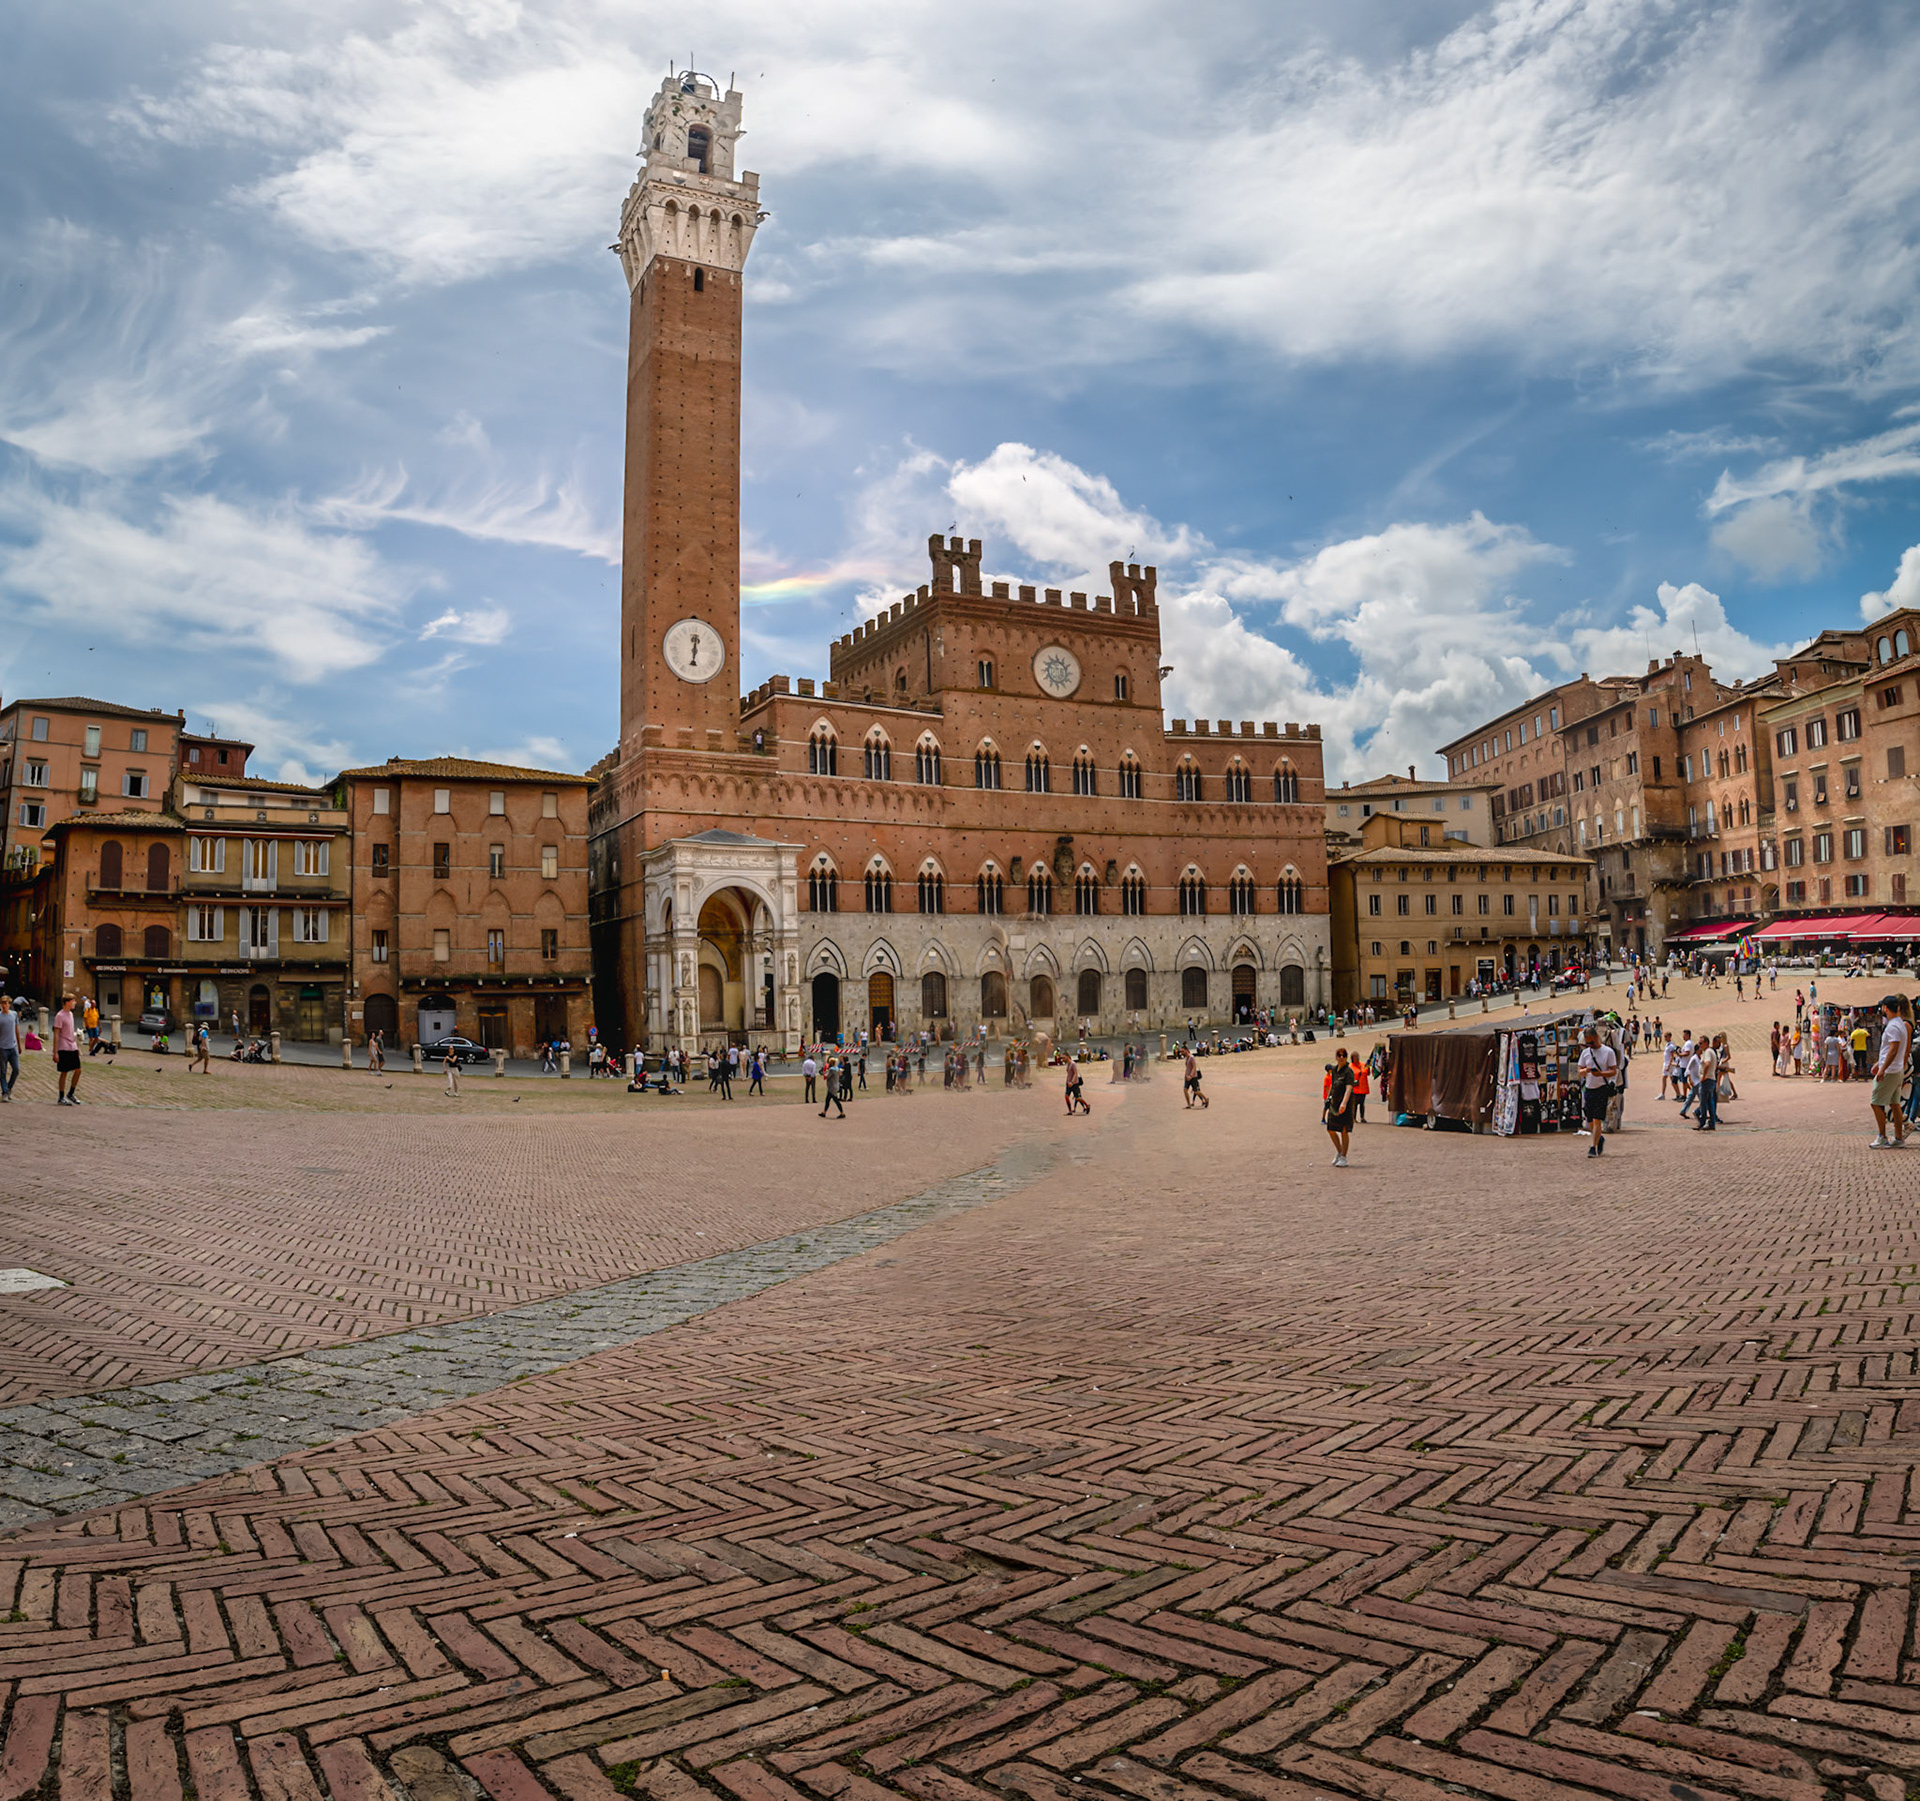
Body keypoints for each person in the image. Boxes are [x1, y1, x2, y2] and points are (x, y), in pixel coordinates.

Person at [1870, 995, 1911, 1148]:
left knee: (1875, 1102)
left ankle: (1882, 1136)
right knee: (1895, 1104)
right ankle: (1899, 1138)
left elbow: (1892, 1050)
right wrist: (1879, 1064)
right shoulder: (1900, 1024)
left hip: (1891, 1070)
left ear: (1885, 1008)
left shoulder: (1893, 1026)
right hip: (1896, 1069)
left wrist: (1882, 1069)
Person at [1577, 1025, 1618, 1157]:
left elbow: (1613, 1070)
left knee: (1597, 1120)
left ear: (1597, 1037)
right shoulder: (1585, 1053)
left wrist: (1601, 1074)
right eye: (1587, 1043)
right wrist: (1586, 1071)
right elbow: (1579, 1071)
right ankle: (1599, 1138)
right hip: (1589, 1089)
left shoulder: (1608, 1052)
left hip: (1601, 1089)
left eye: (1591, 1042)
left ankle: (1593, 1147)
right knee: (1589, 1121)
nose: (1590, 1045)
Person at [1324, 1047, 1355, 1166]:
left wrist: (1344, 1103)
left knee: (1344, 1130)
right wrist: (1329, 1098)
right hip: (1334, 1102)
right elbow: (1332, 1085)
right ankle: (1339, 1151)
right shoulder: (1334, 1070)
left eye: (1344, 1055)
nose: (1341, 1057)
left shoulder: (1348, 1071)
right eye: (1339, 1055)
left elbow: (1349, 1088)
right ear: (1336, 1057)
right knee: (1330, 1129)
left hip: (1345, 1103)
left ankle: (1344, 1157)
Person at [53, 995, 82, 1106]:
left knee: (78, 1070)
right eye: (73, 1001)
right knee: (64, 1072)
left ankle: (71, 1093)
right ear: (67, 1002)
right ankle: (61, 1096)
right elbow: (56, 1033)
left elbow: (71, 1031)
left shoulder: (71, 1014)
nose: (75, 1003)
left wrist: (77, 1047)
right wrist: (55, 1052)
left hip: (72, 1045)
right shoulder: (59, 1016)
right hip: (63, 1046)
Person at [1694, 1035, 1720, 1131]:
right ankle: (1711, 1123)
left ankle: (1702, 1122)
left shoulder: (1708, 1052)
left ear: (1706, 1043)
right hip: (1710, 1079)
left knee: (1703, 1102)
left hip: (1707, 1080)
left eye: (1700, 1043)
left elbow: (1707, 1063)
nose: (1699, 1045)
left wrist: (1703, 1076)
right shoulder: (1709, 1052)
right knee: (1710, 1103)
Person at [0, 994, 18, 1103]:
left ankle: (9, 1088)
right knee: (2, 1071)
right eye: (3, 1003)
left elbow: (16, 1029)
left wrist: (19, 1046)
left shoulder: (14, 1015)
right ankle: (4, 1091)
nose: (5, 1005)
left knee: (16, 1069)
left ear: (9, 1004)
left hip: (13, 1046)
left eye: (6, 1003)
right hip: (2, 1047)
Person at [819, 1054, 845, 1119]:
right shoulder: (837, 1069)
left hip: (831, 1087)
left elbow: (827, 1076)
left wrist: (823, 1072)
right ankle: (824, 1112)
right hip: (835, 1085)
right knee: (828, 1100)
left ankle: (842, 1112)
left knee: (835, 1100)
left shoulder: (831, 1070)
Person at [1851, 1017, 1871, 1083]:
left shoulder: (1853, 1033)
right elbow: (1869, 1037)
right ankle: (1865, 1078)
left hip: (1856, 1049)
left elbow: (1852, 1042)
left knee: (1857, 1064)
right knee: (1864, 1063)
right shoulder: (1864, 1032)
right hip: (1863, 1049)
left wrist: (1853, 1048)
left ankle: (1857, 1078)